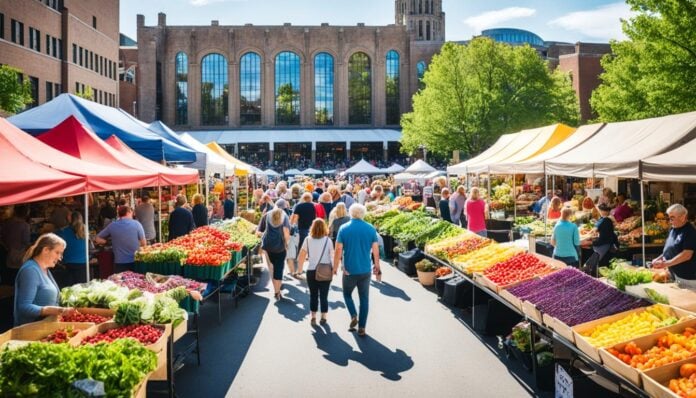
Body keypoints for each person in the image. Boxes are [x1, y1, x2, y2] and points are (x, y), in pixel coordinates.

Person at [333, 204, 380, 337]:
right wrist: (377, 266)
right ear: (363, 214)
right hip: (365, 269)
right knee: (364, 298)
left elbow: (338, 250)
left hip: (349, 269)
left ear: (351, 213)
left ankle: (353, 314)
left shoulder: (344, 228)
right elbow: (375, 251)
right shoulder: (370, 229)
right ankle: (362, 327)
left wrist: (335, 266)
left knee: (347, 294)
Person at [14, 233, 75, 326]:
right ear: (46, 250)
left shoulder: (45, 269)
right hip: (31, 330)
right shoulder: (30, 270)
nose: (60, 258)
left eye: (61, 254)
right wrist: (57, 311)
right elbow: (24, 307)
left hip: (46, 326)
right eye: (57, 252)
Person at [297, 218, 335, 326]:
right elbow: (331, 256)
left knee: (313, 295)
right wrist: (333, 270)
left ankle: (313, 316)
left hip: (311, 271)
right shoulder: (328, 241)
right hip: (325, 271)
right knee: (324, 295)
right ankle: (323, 316)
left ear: (312, 227)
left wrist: (300, 270)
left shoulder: (307, 239)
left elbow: (301, 256)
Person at [652, 204, 696, 288]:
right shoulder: (673, 229)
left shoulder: (690, 232)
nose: (670, 221)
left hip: (687, 277)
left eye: (672, 218)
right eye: (669, 218)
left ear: (683, 217)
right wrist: (659, 258)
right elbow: (670, 249)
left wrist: (666, 264)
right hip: (674, 274)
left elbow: (687, 255)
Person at [95, 205, 146, 274]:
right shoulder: (137, 224)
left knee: (121, 283)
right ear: (128, 212)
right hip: (136, 261)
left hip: (119, 262)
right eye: (131, 212)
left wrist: (107, 242)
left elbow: (97, 239)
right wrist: (134, 243)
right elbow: (144, 243)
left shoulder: (112, 225)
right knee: (136, 283)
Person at [257, 205, 291, 300]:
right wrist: (287, 245)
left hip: (268, 246)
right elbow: (286, 234)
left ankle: (275, 288)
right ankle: (277, 291)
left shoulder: (267, 216)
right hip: (280, 247)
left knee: (272, 267)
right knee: (279, 269)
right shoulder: (284, 218)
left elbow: (259, 230)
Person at [55, 211, 88, 287]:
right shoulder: (85, 229)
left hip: (68, 263)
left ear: (70, 219)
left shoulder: (63, 231)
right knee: (82, 289)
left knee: (70, 289)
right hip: (83, 263)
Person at [584, 203, 618, 274]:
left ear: (602, 211)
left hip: (603, 245)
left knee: (592, 265)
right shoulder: (606, 219)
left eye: (599, 210)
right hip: (606, 244)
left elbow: (598, 234)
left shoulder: (605, 220)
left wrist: (591, 240)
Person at [291, 192, 316, 274]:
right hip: (311, 227)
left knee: (301, 244)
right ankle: (308, 259)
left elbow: (295, 218)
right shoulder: (313, 206)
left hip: (302, 227)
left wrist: (292, 225)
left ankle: (299, 259)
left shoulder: (299, 206)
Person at [1, 204, 31, 270]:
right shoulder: (25, 225)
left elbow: (2, 237)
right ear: (26, 213)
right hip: (18, 256)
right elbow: (26, 241)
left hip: (6, 253)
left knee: (6, 276)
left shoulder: (7, 223)